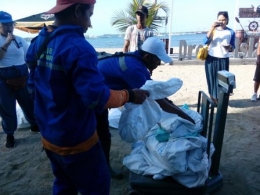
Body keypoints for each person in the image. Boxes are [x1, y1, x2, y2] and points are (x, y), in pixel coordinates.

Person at [25, 0, 149, 194]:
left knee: (64, 184)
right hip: (77, 141)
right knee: (96, 186)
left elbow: (32, 85)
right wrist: (129, 95)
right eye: (89, 15)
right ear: (77, 11)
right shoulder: (79, 48)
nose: (89, 24)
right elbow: (96, 98)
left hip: (49, 136)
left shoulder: (39, 41)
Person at [96, 37, 195, 179]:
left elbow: (158, 93)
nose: (159, 64)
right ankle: (102, 171)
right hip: (90, 97)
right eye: (157, 60)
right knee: (99, 135)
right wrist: (184, 116)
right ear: (147, 57)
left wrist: (175, 107)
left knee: (102, 134)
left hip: (101, 95)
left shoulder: (136, 61)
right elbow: (159, 100)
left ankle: (102, 168)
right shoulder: (134, 68)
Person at [0, 11, 39, 148]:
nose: (9, 27)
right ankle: (10, 134)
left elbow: (29, 56)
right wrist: (6, 43)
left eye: (10, 24)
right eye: (5, 25)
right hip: (3, 76)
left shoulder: (20, 40)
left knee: (28, 102)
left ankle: (34, 125)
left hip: (22, 73)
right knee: (7, 107)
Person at [203, 11, 235, 104]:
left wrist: (229, 47)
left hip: (223, 58)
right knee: (211, 79)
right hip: (211, 58)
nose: (222, 22)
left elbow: (232, 47)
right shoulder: (213, 30)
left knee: (223, 81)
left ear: (227, 20)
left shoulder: (231, 32)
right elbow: (205, 41)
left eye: (224, 20)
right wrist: (211, 28)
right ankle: (213, 99)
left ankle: (221, 100)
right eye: (219, 20)